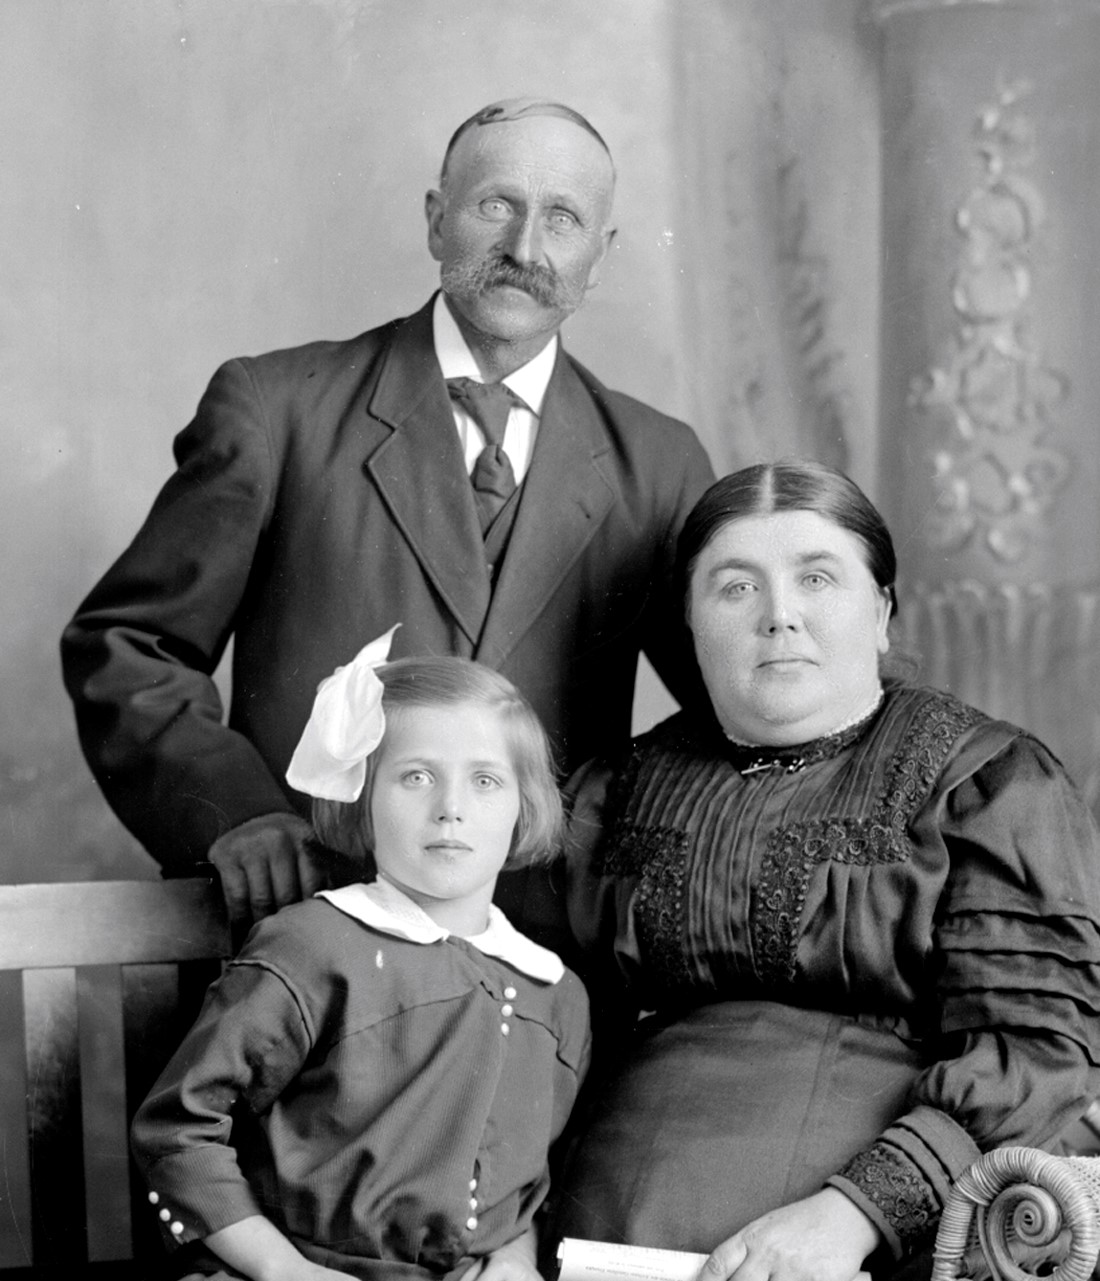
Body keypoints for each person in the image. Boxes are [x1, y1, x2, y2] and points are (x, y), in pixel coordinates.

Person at [465, 461, 1100, 1281]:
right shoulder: (611, 791)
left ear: (881, 608)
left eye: (817, 577)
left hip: (865, 1251)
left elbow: (1040, 1053)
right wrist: (498, 1203)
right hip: (593, 1241)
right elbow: (523, 1019)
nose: (779, 615)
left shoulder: (983, 780)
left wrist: (852, 1214)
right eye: (732, 587)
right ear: (688, 626)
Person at [60, 96, 714, 939]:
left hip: (550, 961)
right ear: (438, 219)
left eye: (563, 218)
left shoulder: (659, 463)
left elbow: (737, 708)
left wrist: (607, 828)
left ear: (602, 254)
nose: (525, 248)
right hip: (310, 941)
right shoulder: (277, 410)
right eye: (495, 206)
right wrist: (235, 815)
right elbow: (128, 648)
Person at [101, 636, 590, 1281]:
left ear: (524, 809)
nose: (450, 807)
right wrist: (290, 1278)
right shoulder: (312, 947)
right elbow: (179, 1129)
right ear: (362, 800)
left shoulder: (551, 991)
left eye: (483, 780)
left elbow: (524, 1169)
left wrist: (512, 1249)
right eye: (414, 777)